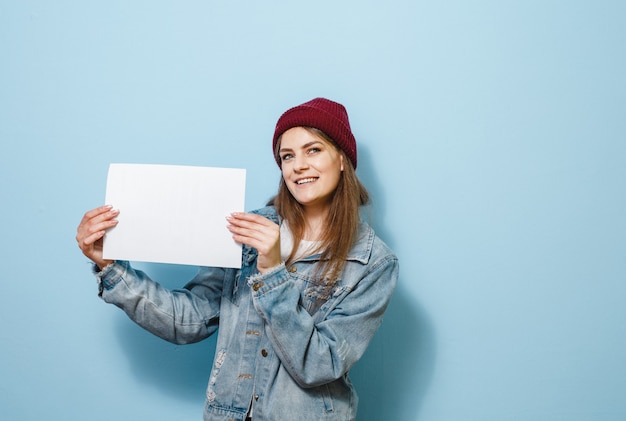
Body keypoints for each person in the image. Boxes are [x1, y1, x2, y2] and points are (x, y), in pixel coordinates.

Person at [76, 97, 398, 421]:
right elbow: (188, 320)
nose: (298, 165)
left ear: (342, 159)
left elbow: (318, 364)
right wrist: (110, 266)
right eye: (287, 156)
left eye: (313, 150)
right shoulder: (247, 233)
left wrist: (272, 272)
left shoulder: (373, 264)